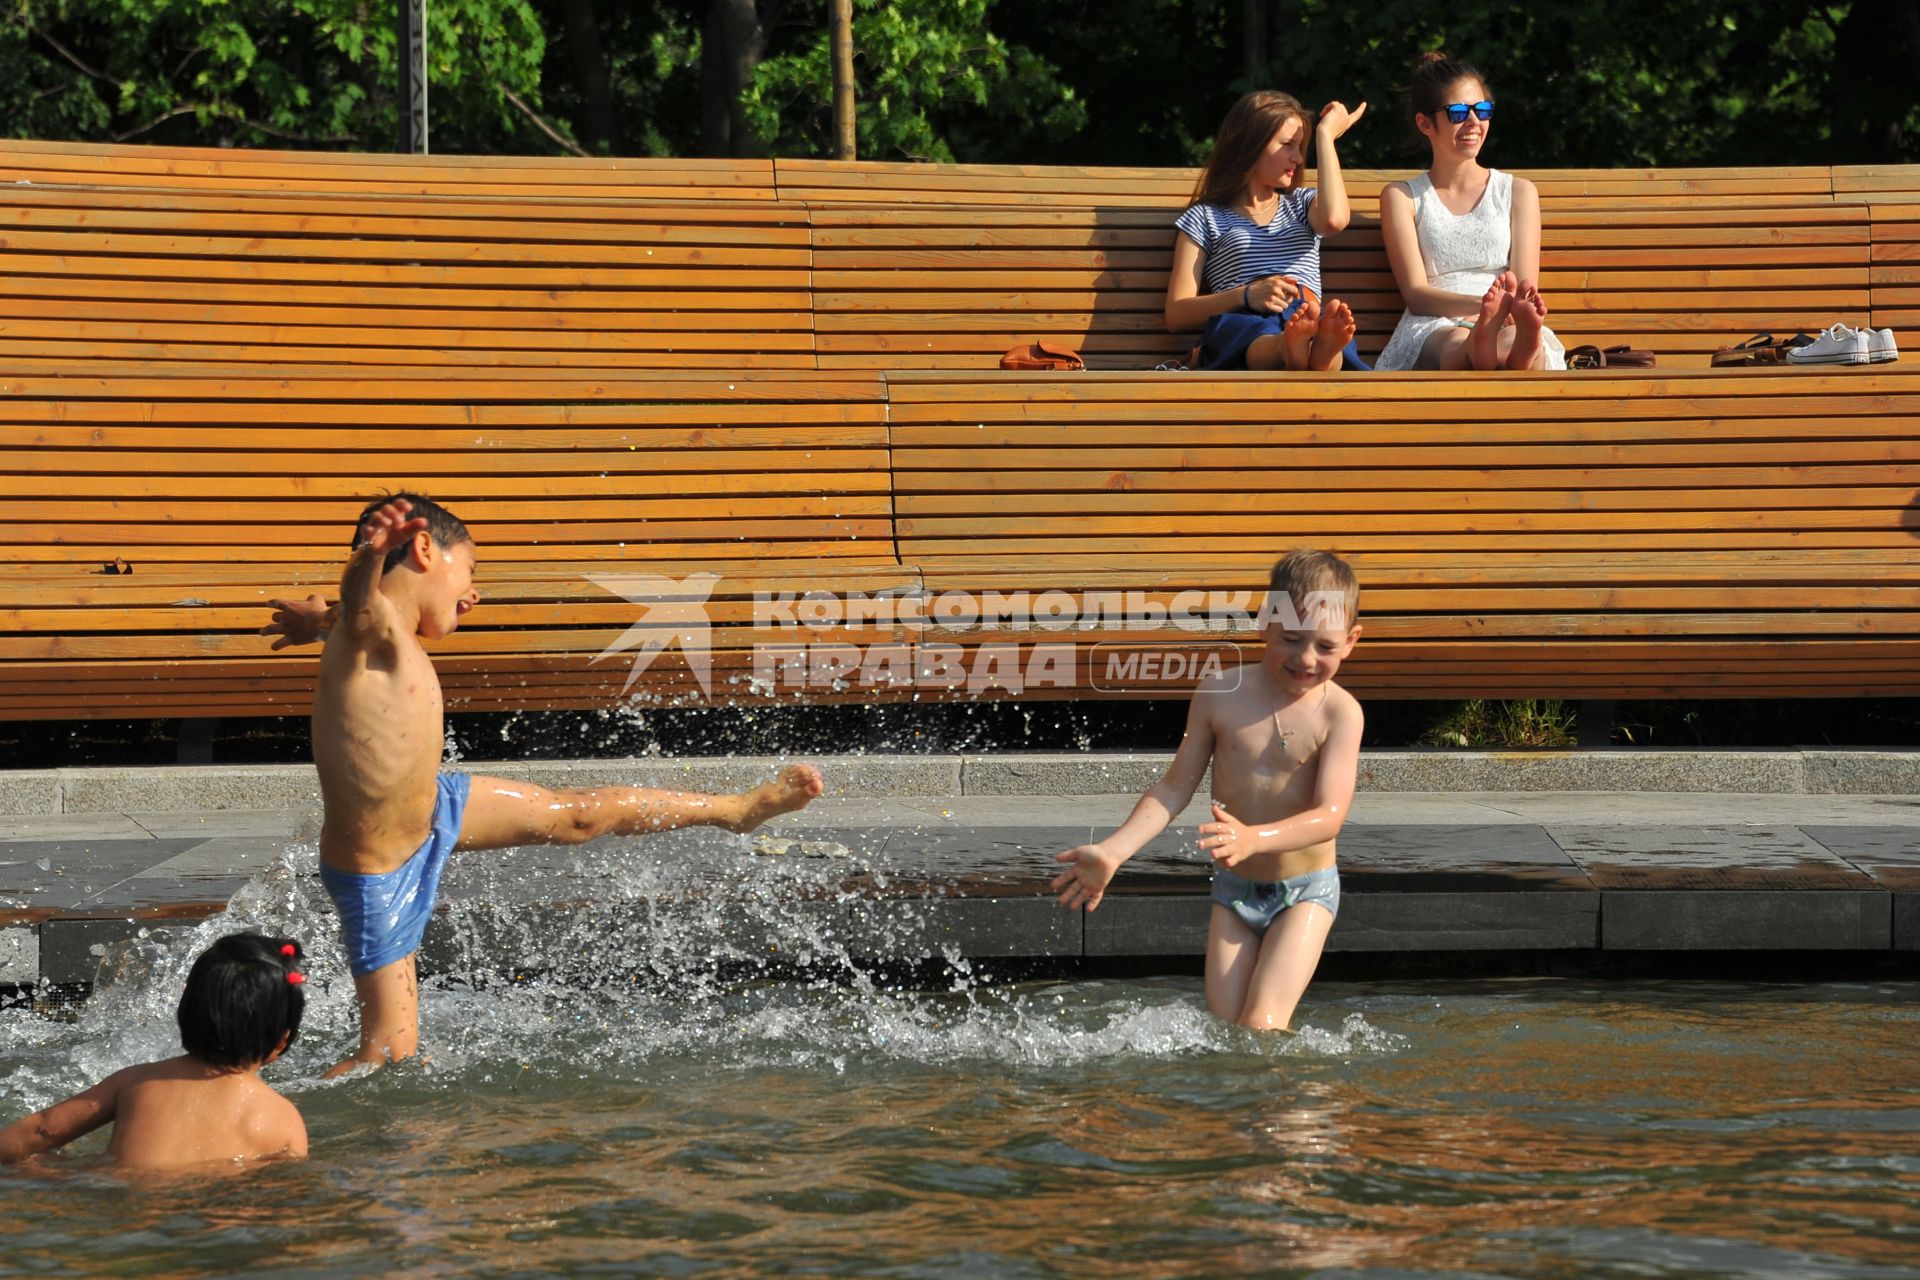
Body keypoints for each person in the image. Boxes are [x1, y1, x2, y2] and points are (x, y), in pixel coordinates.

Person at [261, 494, 824, 1076]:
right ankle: (270, 1113)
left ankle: (735, 810)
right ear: (425, 549)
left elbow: (347, 614)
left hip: (437, 808)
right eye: (470, 570)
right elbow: (358, 604)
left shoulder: (377, 632)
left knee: (576, 815)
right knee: (389, 1054)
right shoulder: (371, 624)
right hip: (378, 872)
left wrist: (316, 621)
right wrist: (370, 554)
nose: (474, 592)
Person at [1050, 550, 1364, 1030]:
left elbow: (1330, 816)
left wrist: (1254, 839)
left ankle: (1298, 1107)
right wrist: (1115, 851)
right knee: (1223, 1029)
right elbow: (1174, 789)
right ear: (1264, 624)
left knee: (1262, 1023)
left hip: (1305, 892)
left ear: (1351, 642)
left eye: (1325, 646)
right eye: (1292, 639)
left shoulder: (1339, 714)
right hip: (1235, 891)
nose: (1306, 658)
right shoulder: (1221, 693)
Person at [0, 933, 309, 1170]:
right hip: (210, 1227)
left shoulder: (138, 1081)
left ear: (186, 1010)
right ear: (282, 1040)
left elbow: (41, 1131)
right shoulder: (283, 1118)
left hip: (118, 1206)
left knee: (45, 1166)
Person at [1374, 52, 1566, 371]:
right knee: (1451, 347)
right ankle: (1484, 345)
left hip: (1507, 319)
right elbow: (1418, 295)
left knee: (1509, 341)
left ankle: (1515, 347)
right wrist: (1482, 308)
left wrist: (1501, 313)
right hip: (1435, 321)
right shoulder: (1403, 197)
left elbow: (1523, 285)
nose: (1474, 122)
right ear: (1425, 123)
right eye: (1459, 112)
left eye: (1483, 110)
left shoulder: (1518, 192)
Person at [1166, 90, 1371, 372]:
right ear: (1250, 144)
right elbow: (1176, 313)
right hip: (1243, 319)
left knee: (1318, 328)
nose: (1298, 158)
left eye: (1301, 146)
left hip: (1303, 314)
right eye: (1288, 144)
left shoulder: (1302, 204)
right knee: (1252, 332)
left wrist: (1326, 137)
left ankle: (1315, 351)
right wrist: (1246, 295)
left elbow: (1334, 220)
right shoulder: (1205, 217)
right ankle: (1294, 349)